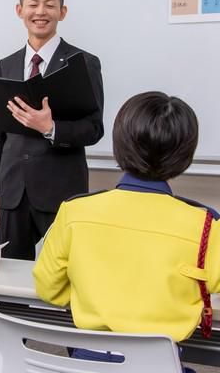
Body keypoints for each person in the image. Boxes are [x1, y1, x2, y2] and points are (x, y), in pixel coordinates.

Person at [33, 92, 219, 368]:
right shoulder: (206, 225)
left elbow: (49, 288)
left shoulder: (75, 211)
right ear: (185, 156)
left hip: (86, 364)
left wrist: (94, 296)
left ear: (119, 144)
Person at [0, 0, 104, 260]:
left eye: (50, 5)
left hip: (60, 190)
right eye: (33, 4)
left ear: (62, 12)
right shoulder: (7, 63)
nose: (41, 12)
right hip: (12, 191)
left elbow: (94, 128)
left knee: (64, 274)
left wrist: (51, 128)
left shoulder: (83, 62)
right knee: (12, 277)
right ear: (19, 10)